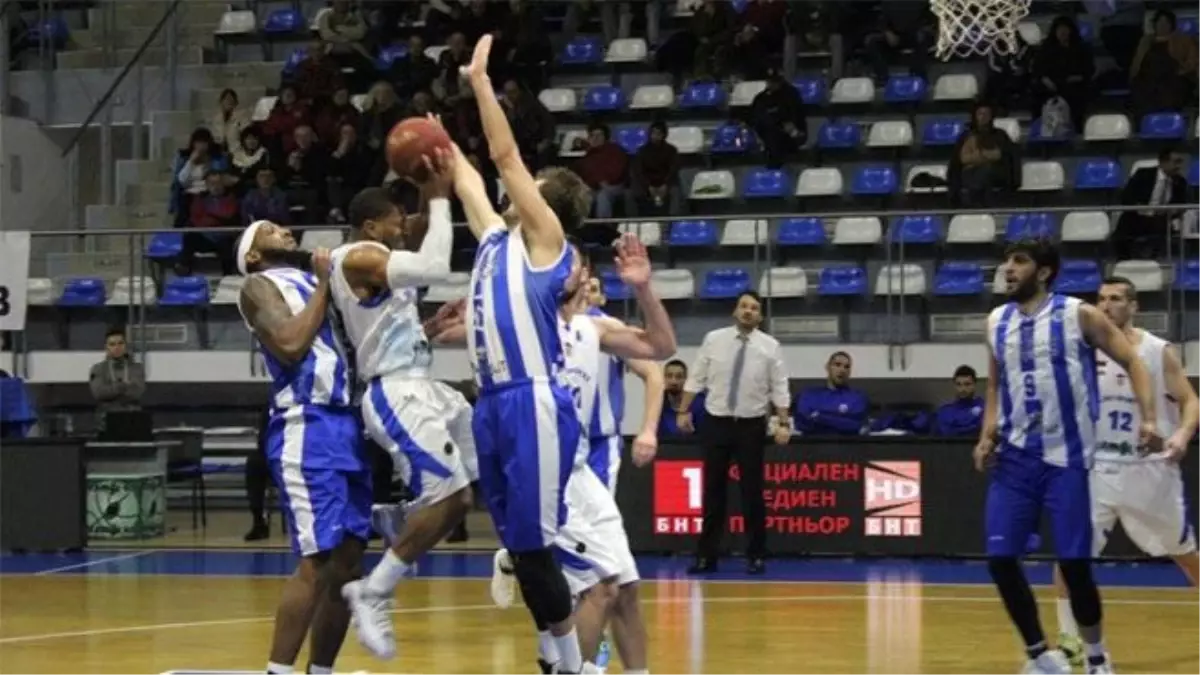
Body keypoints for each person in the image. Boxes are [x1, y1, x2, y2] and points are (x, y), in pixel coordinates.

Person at [457, 35, 676, 675]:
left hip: (544, 419)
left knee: (595, 580)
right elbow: (473, 178)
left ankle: (565, 662)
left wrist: (478, 82)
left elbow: (501, 157)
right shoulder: (497, 241)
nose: (512, 190)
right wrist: (441, 146)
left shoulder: (546, 240)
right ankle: (562, 649)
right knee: (591, 578)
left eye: (527, 186)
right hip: (502, 407)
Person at [974, 239, 1159, 675]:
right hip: (1015, 459)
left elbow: (1133, 360)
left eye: (1019, 261)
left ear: (1043, 272)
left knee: (1075, 567)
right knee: (1000, 560)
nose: (1008, 269)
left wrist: (1148, 418)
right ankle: (1041, 656)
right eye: (1007, 261)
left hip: (1067, 460)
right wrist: (987, 433)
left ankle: (1097, 657)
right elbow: (995, 386)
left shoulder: (1079, 315)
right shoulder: (996, 321)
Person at [328, 162, 479, 661]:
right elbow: (436, 265)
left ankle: (405, 515)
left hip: (421, 386)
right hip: (395, 396)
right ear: (371, 225)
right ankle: (373, 589)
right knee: (454, 498)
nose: (403, 228)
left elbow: (386, 330)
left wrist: (428, 328)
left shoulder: (377, 260)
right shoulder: (358, 256)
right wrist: (437, 195)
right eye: (396, 221)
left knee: (480, 478)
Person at [234, 219, 368, 675]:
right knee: (319, 556)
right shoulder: (258, 284)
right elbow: (290, 344)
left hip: (345, 421)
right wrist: (328, 282)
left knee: (349, 561)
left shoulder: (314, 282)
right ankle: (279, 671)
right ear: (252, 254)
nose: (284, 230)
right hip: (305, 423)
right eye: (270, 229)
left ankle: (322, 671)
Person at [1051, 277, 1200, 666]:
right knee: (1071, 556)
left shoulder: (1155, 350)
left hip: (1148, 469)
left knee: (1186, 556)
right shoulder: (1082, 350)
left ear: (1133, 306)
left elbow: (1190, 401)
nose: (1106, 305)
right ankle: (1071, 642)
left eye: (1115, 299)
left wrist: (1181, 436)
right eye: (1100, 299)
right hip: (1096, 468)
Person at [678, 291, 792, 575]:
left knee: (752, 493)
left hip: (751, 425)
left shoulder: (771, 346)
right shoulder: (714, 339)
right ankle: (706, 556)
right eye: (743, 306)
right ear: (735, 311)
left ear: (761, 316)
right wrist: (683, 410)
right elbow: (696, 377)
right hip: (716, 422)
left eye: (754, 308)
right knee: (712, 492)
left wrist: (784, 423)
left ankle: (756, 555)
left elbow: (779, 386)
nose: (748, 311)